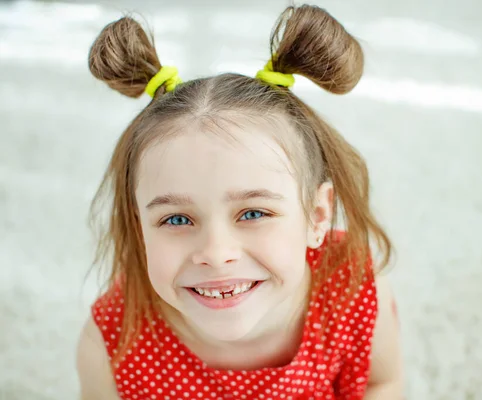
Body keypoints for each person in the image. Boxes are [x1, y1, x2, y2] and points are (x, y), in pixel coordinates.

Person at [76, 4, 402, 399]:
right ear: (139, 225)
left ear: (317, 216)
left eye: (253, 213)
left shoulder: (352, 290)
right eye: (177, 219)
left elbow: (381, 382)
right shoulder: (112, 339)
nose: (215, 254)